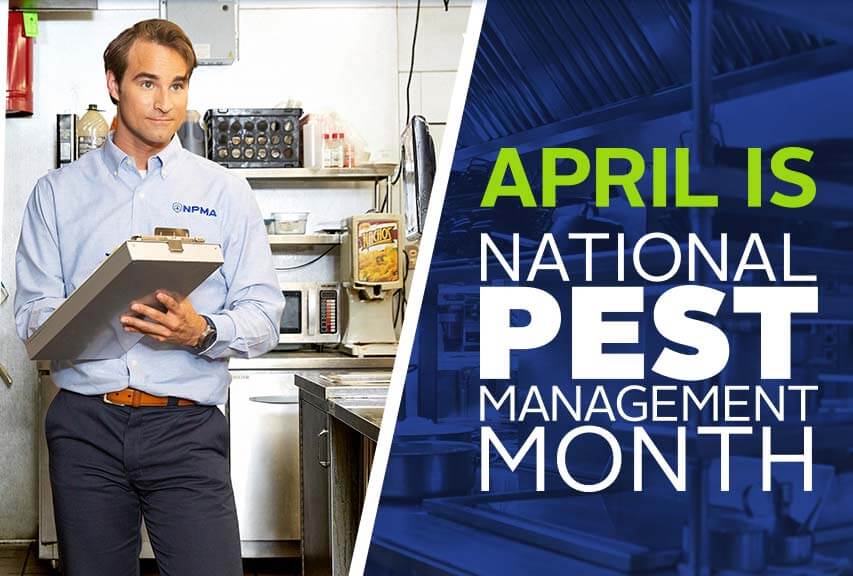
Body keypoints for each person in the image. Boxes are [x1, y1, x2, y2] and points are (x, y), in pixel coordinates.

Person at [14, 19, 284, 576]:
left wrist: (201, 330)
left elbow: (263, 315)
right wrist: (92, 309)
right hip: (87, 426)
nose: (165, 103)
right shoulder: (57, 195)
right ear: (114, 83)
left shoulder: (225, 193)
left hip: (187, 429)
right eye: (147, 83)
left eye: (178, 85)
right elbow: (31, 316)